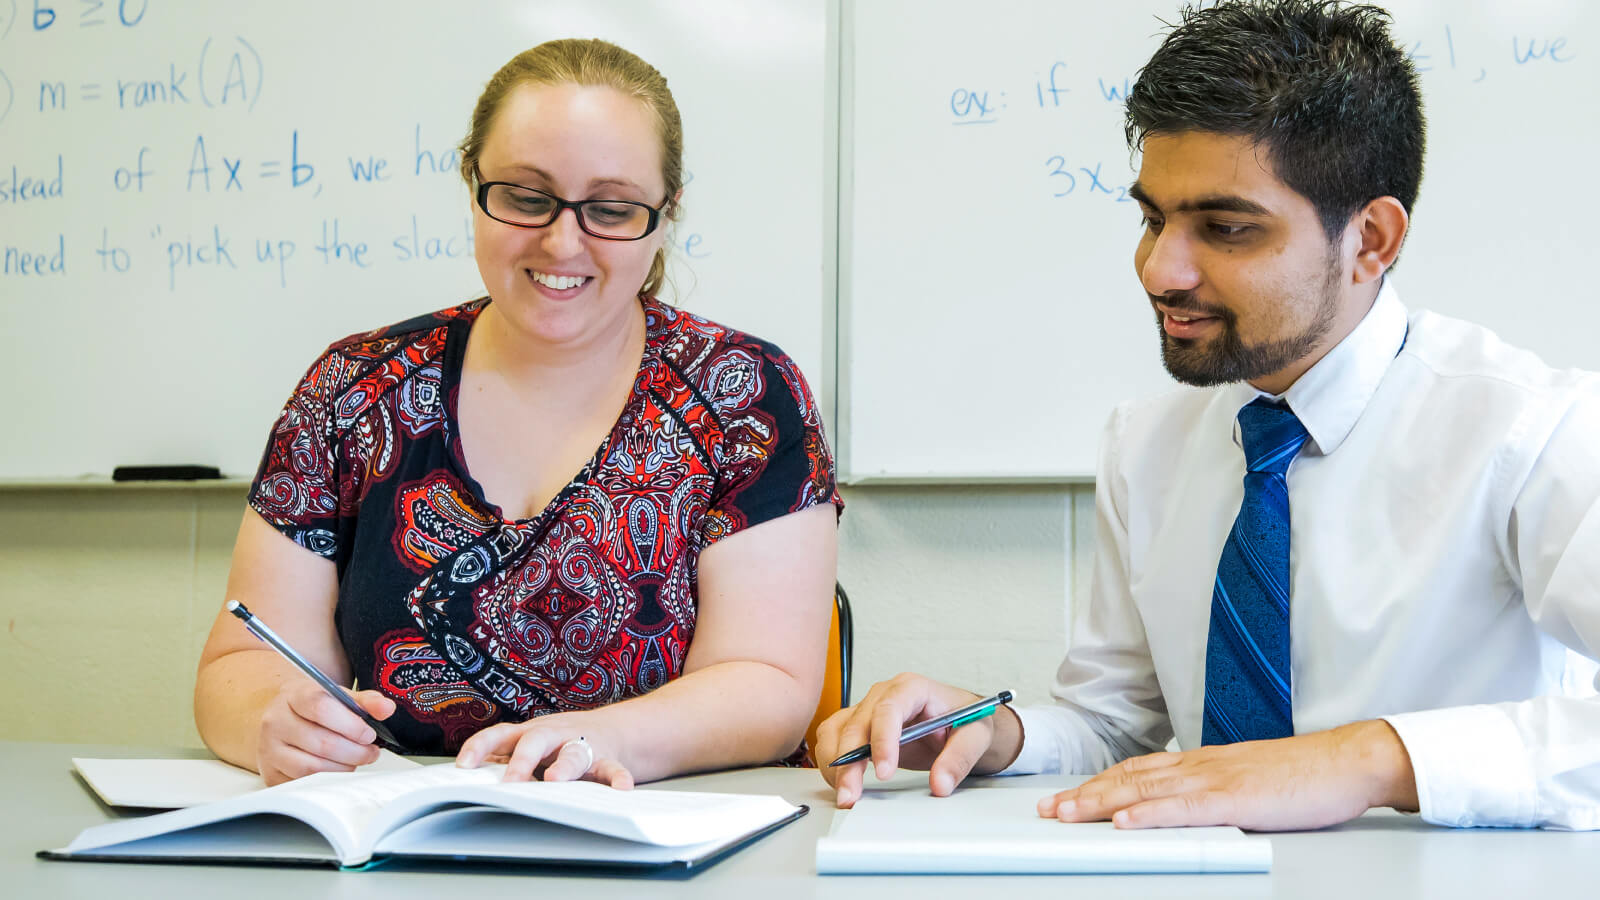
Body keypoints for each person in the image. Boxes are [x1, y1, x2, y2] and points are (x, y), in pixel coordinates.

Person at [817, 0, 1599, 831]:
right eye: (1152, 218)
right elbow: (1119, 729)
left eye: (1225, 228)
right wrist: (996, 732)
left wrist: (1369, 758)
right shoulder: (1146, 444)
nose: (1160, 269)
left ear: (1371, 238)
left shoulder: (1533, 430)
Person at [195, 38, 842, 787]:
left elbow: (768, 683)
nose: (562, 241)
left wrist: (605, 740)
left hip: (656, 833)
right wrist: (271, 718)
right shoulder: (352, 389)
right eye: (527, 198)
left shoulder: (746, 397)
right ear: (474, 184)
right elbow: (240, 665)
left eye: (610, 208)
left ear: (665, 216)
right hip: (397, 843)